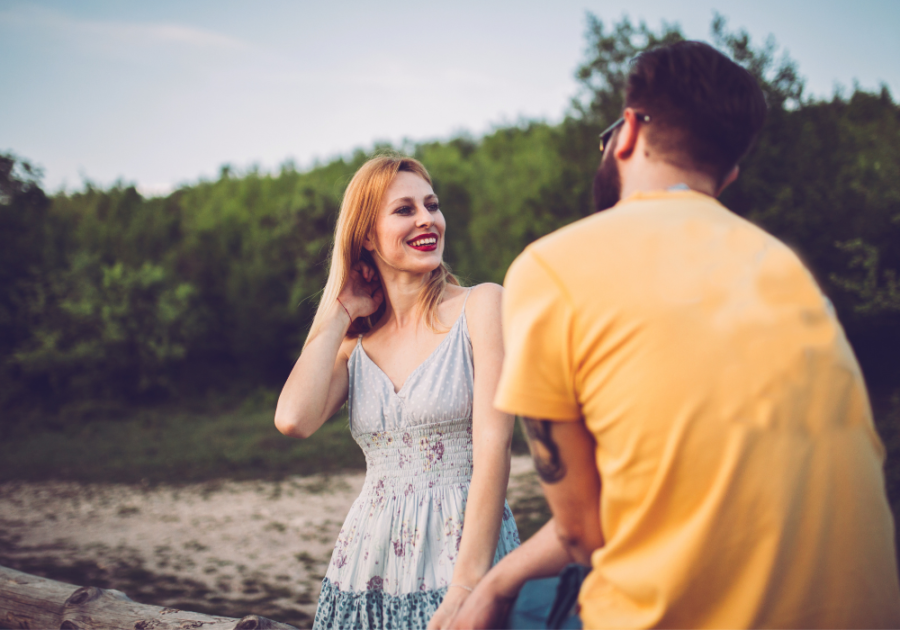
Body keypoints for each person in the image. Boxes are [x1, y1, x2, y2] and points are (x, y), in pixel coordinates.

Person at [450, 41, 900, 629]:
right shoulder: (787, 269)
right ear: (729, 174)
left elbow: (585, 534)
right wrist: (503, 577)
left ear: (631, 129)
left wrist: (492, 585)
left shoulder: (553, 266)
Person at [274, 154, 520, 630]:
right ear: (367, 235)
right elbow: (293, 419)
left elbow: (495, 452)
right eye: (405, 210)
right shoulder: (355, 346)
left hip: (463, 556)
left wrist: (467, 587)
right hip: (367, 564)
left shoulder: (482, 306)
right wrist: (341, 311)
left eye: (432, 205)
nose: (427, 218)